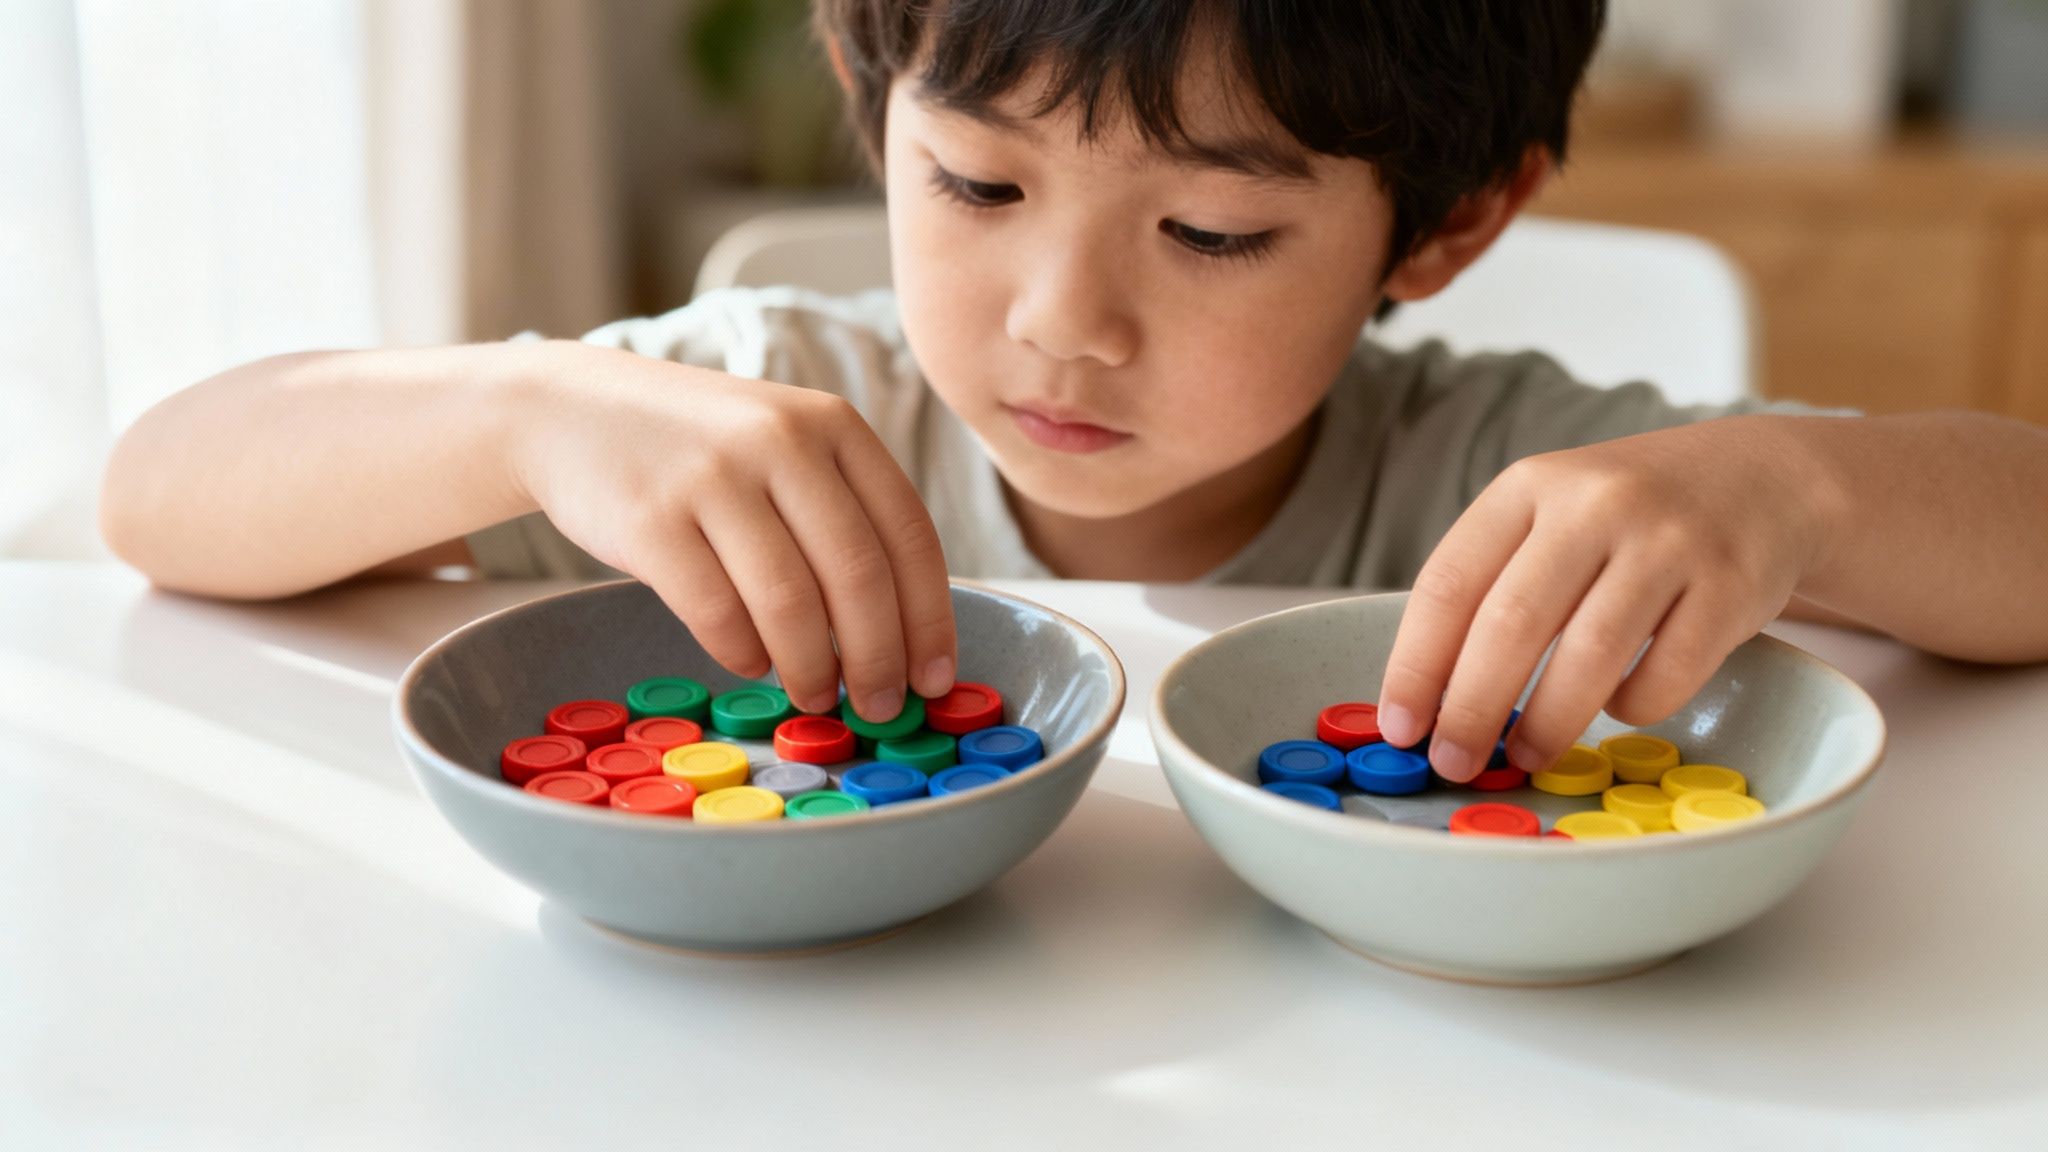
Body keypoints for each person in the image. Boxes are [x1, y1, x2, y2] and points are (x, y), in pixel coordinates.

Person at [101, 0, 2048, 784]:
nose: (1063, 323)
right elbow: (158, 494)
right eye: (974, 186)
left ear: (1449, 225)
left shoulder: (1498, 475)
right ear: (871, 106)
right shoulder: (767, 408)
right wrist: (519, 411)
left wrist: (1793, 489)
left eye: (1209, 232)